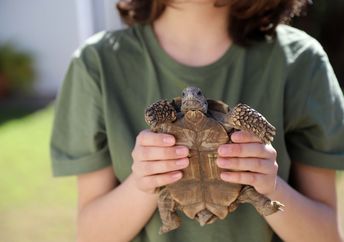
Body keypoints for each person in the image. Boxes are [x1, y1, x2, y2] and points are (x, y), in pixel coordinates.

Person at [50, 0, 344, 241]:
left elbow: (326, 235)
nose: (191, 97)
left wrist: (270, 185)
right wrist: (143, 184)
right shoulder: (98, 64)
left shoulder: (299, 60)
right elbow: (90, 235)